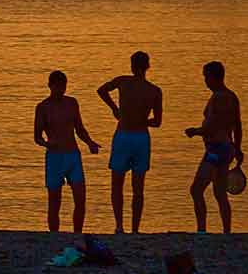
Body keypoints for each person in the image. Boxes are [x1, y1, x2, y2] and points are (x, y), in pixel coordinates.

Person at [96, 50, 164, 233]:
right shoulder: (154, 91)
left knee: (117, 184)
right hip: (141, 137)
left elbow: (101, 90)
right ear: (148, 67)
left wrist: (115, 108)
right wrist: (143, 120)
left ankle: (119, 226)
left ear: (132, 66)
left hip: (124, 135)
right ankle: (135, 228)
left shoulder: (123, 82)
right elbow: (157, 122)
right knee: (138, 187)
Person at [34, 70, 102, 234]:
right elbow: (37, 136)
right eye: (57, 86)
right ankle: (54, 235)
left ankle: (77, 233)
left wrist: (90, 143)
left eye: (63, 86)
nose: (60, 90)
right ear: (50, 86)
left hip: (73, 155)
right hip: (54, 157)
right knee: (54, 201)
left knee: (80, 198)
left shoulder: (72, 103)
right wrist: (47, 143)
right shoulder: (43, 107)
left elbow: (79, 129)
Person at [186, 60, 244, 234]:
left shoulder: (218, 97)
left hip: (216, 150)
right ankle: (226, 231)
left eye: (206, 77)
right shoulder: (232, 96)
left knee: (196, 189)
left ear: (213, 77)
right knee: (220, 193)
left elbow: (212, 125)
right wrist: (238, 148)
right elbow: (237, 125)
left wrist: (195, 131)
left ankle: (202, 231)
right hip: (227, 148)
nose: (205, 80)